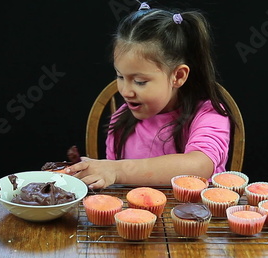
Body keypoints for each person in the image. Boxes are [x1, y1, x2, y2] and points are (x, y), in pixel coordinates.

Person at [67, 2, 235, 189]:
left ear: (178, 76)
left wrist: (116, 170)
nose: (125, 91)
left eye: (140, 82)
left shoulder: (209, 114)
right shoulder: (121, 121)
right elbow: (114, 190)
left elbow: (199, 166)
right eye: (120, 76)